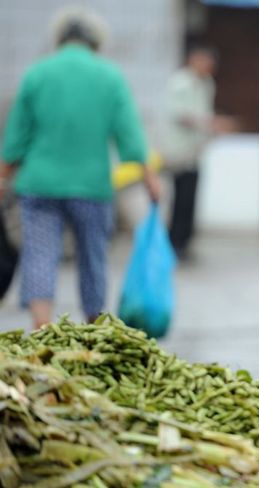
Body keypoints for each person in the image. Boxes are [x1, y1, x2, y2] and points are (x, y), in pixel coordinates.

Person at [0, 7, 160, 330]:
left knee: (39, 255)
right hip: (92, 186)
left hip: (39, 184)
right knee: (93, 257)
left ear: (59, 39)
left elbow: (16, 136)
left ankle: (41, 326)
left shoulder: (37, 74)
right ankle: (92, 324)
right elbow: (129, 134)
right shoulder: (109, 76)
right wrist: (149, 178)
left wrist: (3, 174)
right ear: (96, 43)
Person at [159, 44, 237, 261]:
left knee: (191, 196)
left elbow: (203, 113)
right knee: (179, 198)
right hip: (179, 150)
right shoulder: (180, 82)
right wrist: (211, 123)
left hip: (196, 150)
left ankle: (185, 241)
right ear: (193, 60)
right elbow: (180, 115)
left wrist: (211, 126)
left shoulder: (206, 83)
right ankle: (174, 242)